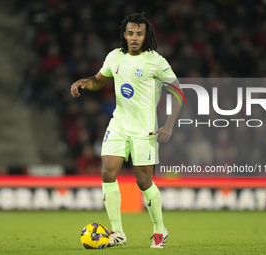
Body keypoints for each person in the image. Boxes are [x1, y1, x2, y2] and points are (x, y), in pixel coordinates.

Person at [71, 12, 181, 249]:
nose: (134, 38)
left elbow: (178, 92)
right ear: (124, 34)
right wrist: (85, 82)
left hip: (145, 129)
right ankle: (117, 232)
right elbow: (99, 80)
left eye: (139, 34)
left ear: (145, 36)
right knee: (107, 172)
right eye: (130, 33)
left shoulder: (156, 61)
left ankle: (160, 230)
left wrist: (169, 124)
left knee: (143, 182)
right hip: (119, 124)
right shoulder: (114, 57)